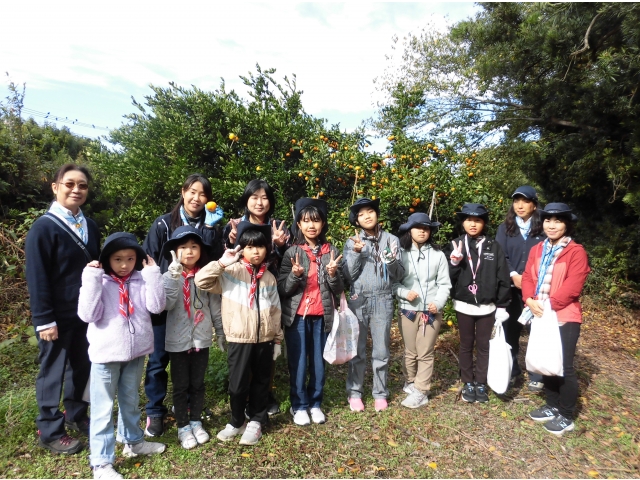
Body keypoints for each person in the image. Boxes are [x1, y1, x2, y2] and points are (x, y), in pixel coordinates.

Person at [25, 164, 101, 454]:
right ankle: (49, 428)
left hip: (85, 313)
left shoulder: (89, 226)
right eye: (69, 184)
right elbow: (37, 276)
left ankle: (76, 415)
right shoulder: (43, 228)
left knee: (82, 366)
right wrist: (44, 320)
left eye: (82, 185)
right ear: (55, 187)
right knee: (52, 372)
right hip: (55, 316)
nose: (76, 190)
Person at [78, 233, 167, 479]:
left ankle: (134, 441)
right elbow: (87, 315)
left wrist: (152, 274)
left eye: (130, 258)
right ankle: (101, 462)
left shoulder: (140, 278)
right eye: (118, 259)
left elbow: (157, 306)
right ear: (107, 259)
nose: (125, 265)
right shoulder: (101, 280)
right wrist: (92, 278)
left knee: (130, 400)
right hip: (105, 355)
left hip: (136, 352)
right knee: (102, 408)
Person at [142, 173, 224, 437]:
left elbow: (212, 262)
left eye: (202, 194)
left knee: (189, 357)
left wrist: (211, 232)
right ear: (183, 192)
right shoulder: (163, 224)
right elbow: (149, 261)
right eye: (192, 191)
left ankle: (190, 413)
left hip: (193, 306)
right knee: (157, 361)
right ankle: (155, 411)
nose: (196, 198)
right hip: (165, 299)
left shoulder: (210, 225)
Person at [195, 222, 283, 446]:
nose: (256, 252)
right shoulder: (230, 273)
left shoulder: (269, 278)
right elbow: (201, 281)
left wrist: (277, 339)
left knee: (262, 382)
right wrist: (223, 262)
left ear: (267, 250)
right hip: (239, 338)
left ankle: (256, 420)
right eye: (250, 247)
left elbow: (275, 311)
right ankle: (236, 420)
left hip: (264, 339)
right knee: (237, 385)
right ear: (242, 248)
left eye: (261, 247)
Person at [221, 179, 290, 416]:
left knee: (265, 345)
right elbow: (225, 258)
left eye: (264, 198)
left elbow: (286, 261)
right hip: (241, 294)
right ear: (246, 200)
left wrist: (280, 246)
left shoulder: (278, 226)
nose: (259, 202)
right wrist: (230, 240)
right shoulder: (235, 225)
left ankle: (264, 396)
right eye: (254, 197)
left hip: (269, 289)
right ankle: (243, 398)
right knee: (244, 347)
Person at [522, 203, 590, 436]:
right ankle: (552, 405)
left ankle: (567, 414)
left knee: (564, 366)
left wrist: (549, 305)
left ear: (566, 224)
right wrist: (529, 299)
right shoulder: (537, 249)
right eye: (548, 220)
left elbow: (573, 285)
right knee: (545, 361)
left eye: (558, 221)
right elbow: (528, 276)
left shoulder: (576, 252)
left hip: (563, 316)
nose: (551, 225)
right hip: (540, 313)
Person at [278, 198, 344, 426]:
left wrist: (334, 274)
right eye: (305, 221)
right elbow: (283, 289)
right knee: (298, 363)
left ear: (323, 224)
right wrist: (295, 275)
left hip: (322, 316)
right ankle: (299, 405)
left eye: (315, 220)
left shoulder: (331, 251)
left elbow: (340, 288)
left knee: (318, 362)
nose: (311, 226)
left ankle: (315, 403)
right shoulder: (292, 252)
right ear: (298, 224)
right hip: (297, 317)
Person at [160, 226, 224, 449]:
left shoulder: (206, 276)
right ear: (175, 251)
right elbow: (165, 305)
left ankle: (196, 421)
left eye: (194, 247)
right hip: (177, 341)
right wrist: (172, 277)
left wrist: (221, 333)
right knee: (180, 385)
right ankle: (183, 427)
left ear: (200, 250)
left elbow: (215, 307)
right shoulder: (169, 276)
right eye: (183, 247)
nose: (189, 251)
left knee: (197, 383)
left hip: (201, 338)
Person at [444, 203, 511, 403]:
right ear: (463, 222)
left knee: (483, 345)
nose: (473, 224)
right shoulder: (456, 244)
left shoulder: (493, 246)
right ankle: (468, 382)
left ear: (484, 223)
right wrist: (454, 263)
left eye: (478, 220)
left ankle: (481, 382)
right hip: (463, 305)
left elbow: (503, 277)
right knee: (465, 344)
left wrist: (502, 305)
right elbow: (447, 278)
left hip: (487, 307)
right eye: (469, 220)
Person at [342, 198, 404, 412]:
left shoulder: (392, 240)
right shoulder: (352, 241)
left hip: (383, 298)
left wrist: (391, 260)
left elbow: (399, 274)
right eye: (361, 214)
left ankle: (380, 393)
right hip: (358, 299)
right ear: (357, 221)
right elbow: (348, 275)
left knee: (381, 350)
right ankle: (355, 392)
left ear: (377, 215)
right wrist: (357, 253)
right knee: (357, 350)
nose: (367, 216)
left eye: (370, 211)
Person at [393, 213, 451, 408]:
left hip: (430, 312)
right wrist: (403, 293)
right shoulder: (400, 254)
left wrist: (438, 302)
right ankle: (410, 382)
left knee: (425, 352)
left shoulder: (438, 255)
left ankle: (421, 390)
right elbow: (392, 283)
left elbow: (444, 284)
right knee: (410, 351)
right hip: (407, 310)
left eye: (426, 228)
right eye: (418, 227)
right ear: (409, 230)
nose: (422, 231)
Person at [495, 186, 546, 391]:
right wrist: (513, 275)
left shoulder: (544, 227)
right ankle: (513, 369)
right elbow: (501, 255)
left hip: (537, 291)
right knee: (511, 330)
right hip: (512, 289)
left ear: (534, 204)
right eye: (516, 201)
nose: (520, 205)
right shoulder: (506, 228)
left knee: (537, 331)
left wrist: (530, 281)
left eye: (525, 201)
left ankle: (538, 373)